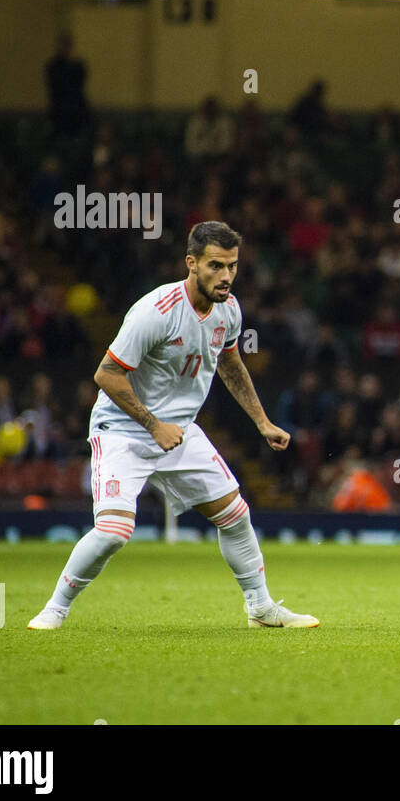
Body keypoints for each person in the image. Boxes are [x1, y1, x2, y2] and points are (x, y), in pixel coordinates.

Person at [27, 222, 318, 630]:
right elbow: (106, 374)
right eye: (216, 266)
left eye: (233, 266)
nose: (227, 276)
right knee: (113, 531)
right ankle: (54, 608)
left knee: (235, 514)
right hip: (123, 432)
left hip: (179, 431)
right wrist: (153, 424)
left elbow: (230, 363)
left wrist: (262, 421)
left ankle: (261, 608)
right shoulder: (155, 312)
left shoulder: (229, 310)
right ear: (191, 263)